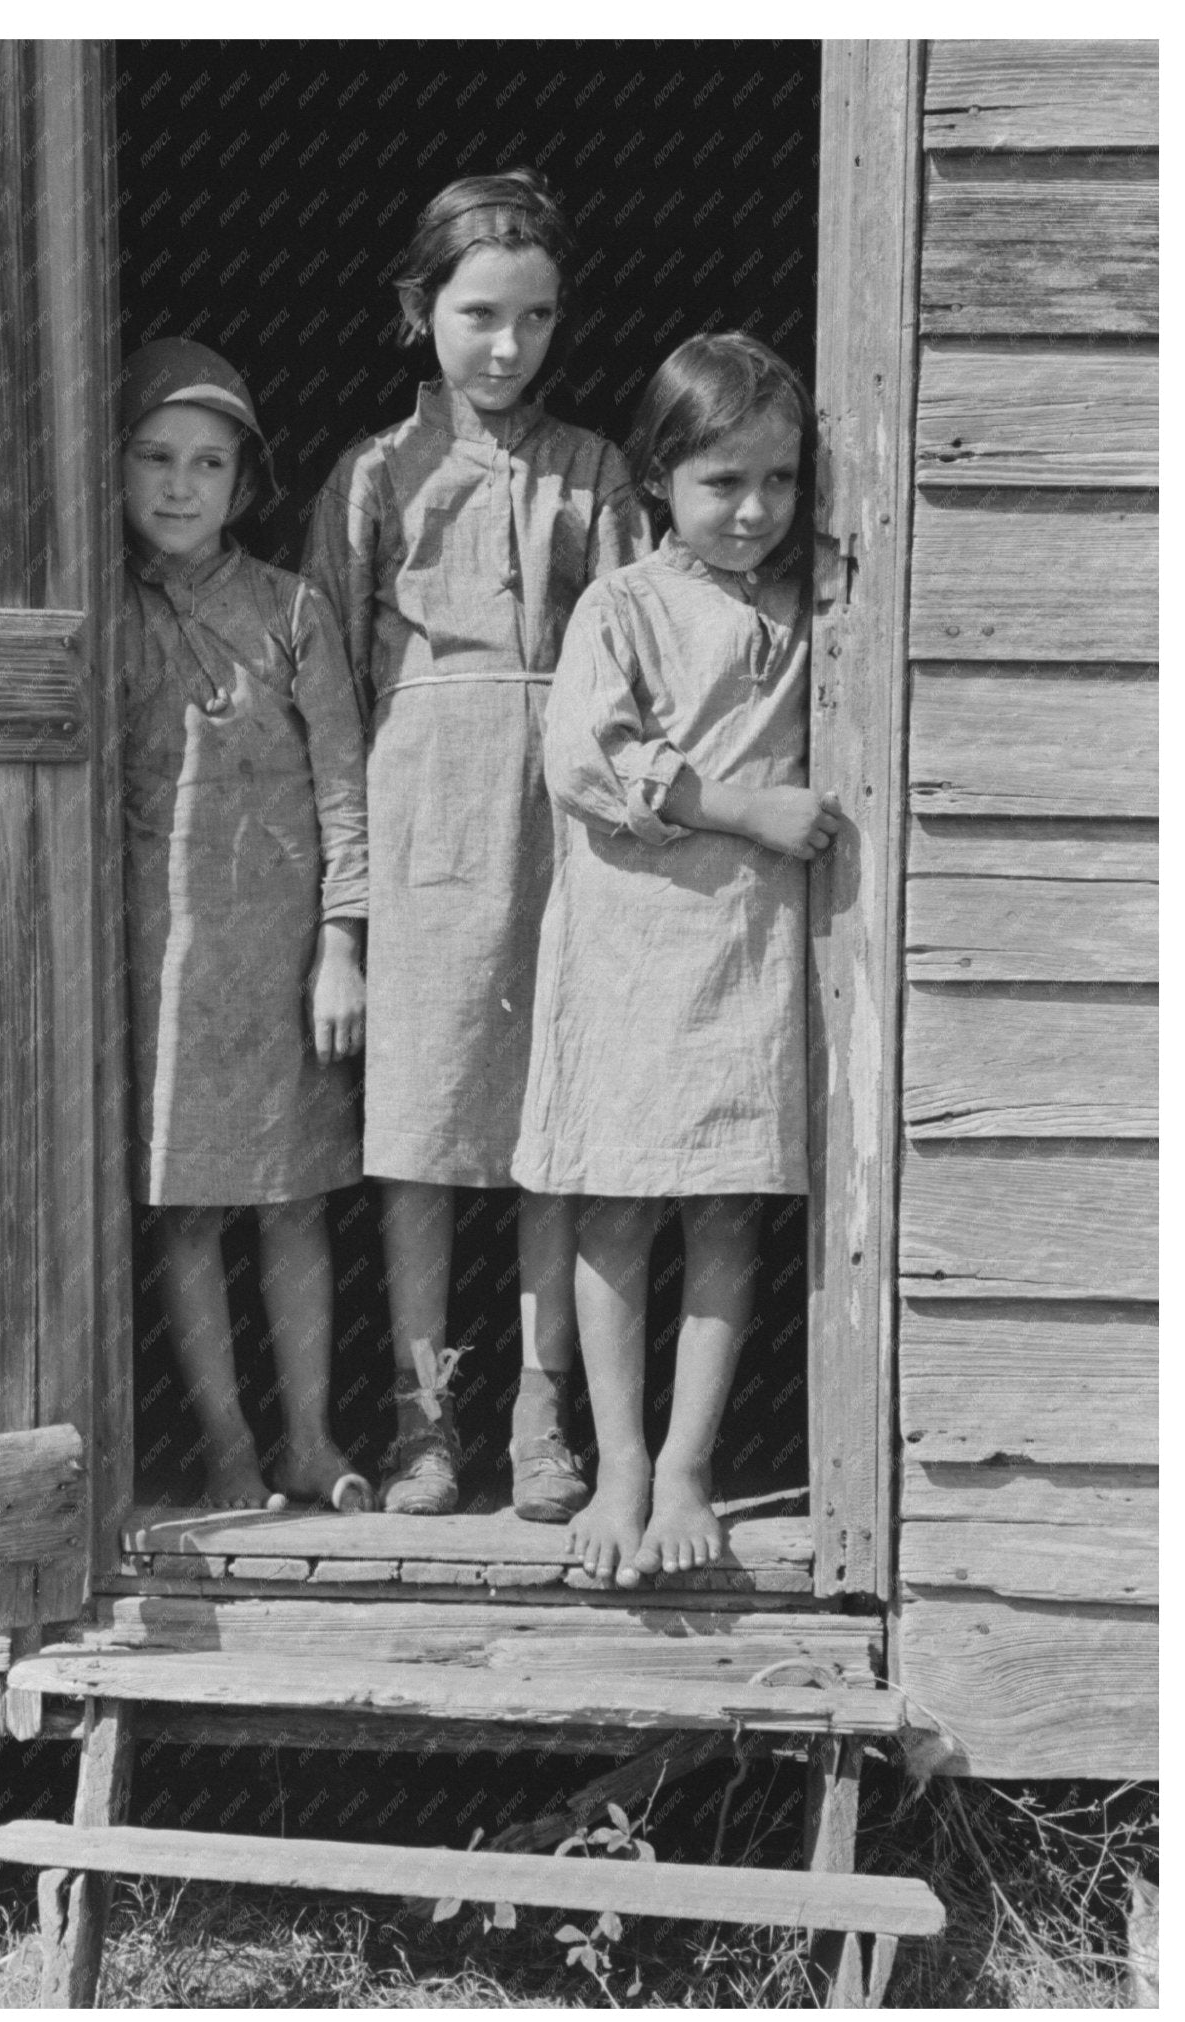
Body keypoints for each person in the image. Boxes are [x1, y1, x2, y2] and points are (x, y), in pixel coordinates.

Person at [303, 170, 652, 1518]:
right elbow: (327, 685)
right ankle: (422, 1415)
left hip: (557, 829)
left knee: (547, 1125)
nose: (508, 347)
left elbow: (632, 661)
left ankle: (539, 1408)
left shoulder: (599, 474)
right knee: (425, 1125)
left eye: (537, 318)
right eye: (479, 315)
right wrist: (342, 902)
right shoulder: (370, 478)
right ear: (420, 311)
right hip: (418, 827)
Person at [511, 332, 843, 1586]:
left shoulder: (817, 600)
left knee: (726, 1204)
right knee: (615, 1204)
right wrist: (742, 807)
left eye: (779, 479)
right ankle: (623, 1460)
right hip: (633, 947)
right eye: (722, 483)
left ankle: (694, 1460)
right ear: (659, 480)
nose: (754, 508)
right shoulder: (626, 604)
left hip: (749, 955)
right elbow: (585, 761)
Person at [120, 337, 373, 1514]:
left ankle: (309, 1439)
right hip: (154, 963)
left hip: (279, 959)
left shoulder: (292, 611)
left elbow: (344, 791)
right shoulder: (101, 617)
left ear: (246, 479)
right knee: (185, 1207)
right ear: (115, 466)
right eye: (156, 456)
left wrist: (343, 941)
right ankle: (224, 1444)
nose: (180, 485)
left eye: (207, 462)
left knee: (292, 1199)